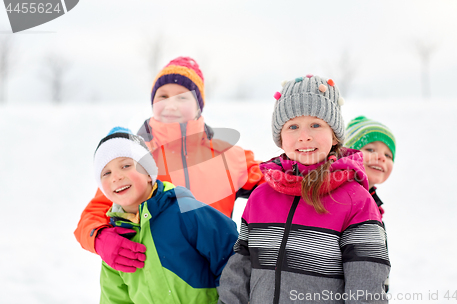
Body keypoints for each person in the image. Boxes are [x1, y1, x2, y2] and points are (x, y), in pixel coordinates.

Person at [74, 56, 264, 273]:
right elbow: (94, 213)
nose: (170, 104)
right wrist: (100, 238)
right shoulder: (134, 157)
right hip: (155, 280)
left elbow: (275, 179)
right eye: (162, 96)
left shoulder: (228, 155)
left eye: (182, 97)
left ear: (199, 106)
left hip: (217, 278)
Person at [217, 75, 390, 303]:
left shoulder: (356, 201)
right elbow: (239, 272)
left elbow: (366, 287)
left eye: (316, 125)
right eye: (293, 126)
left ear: (335, 135)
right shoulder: (261, 196)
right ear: (280, 136)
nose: (304, 136)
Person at [94, 126, 238, 303]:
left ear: (148, 173)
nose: (116, 177)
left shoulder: (187, 212)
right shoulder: (115, 242)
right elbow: (115, 298)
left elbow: (232, 261)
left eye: (126, 165)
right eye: (106, 173)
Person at [344, 116, 396, 217]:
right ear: (347, 154)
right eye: (370, 150)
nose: (382, 158)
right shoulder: (339, 198)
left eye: (388, 155)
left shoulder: (372, 204)